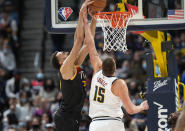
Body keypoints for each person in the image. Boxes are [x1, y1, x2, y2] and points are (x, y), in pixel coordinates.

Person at [82, 6, 149, 131]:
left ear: (102, 67)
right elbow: (130, 110)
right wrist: (142, 106)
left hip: (95, 125)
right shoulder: (119, 83)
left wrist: (87, 22)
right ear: (115, 69)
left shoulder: (97, 71)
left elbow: (90, 44)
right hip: (113, 124)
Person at [50, 1, 97, 131]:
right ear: (60, 62)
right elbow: (78, 40)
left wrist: (94, 19)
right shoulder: (64, 69)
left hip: (71, 116)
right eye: (62, 54)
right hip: (66, 117)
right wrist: (82, 13)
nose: (65, 52)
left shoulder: (74, 66)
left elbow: (88, 44)